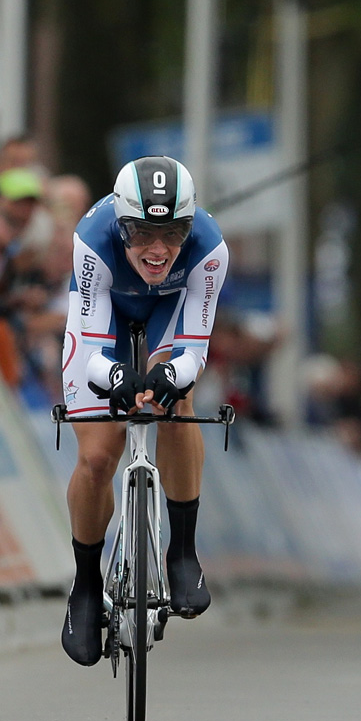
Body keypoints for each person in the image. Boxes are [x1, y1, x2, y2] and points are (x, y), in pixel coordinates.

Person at [60, 156, 228, 666]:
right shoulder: (92, 238)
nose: (158, 249)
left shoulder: (209, 250)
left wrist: (166, 378)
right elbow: (89, 351)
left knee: (176, 400)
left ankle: (182, 550)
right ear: (120, 224)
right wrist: (116, 377)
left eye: (173, 232)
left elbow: (193, 353)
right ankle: (86, 586)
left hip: (167, 314)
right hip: (106, 313)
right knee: (96, 458)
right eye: (142, 233)